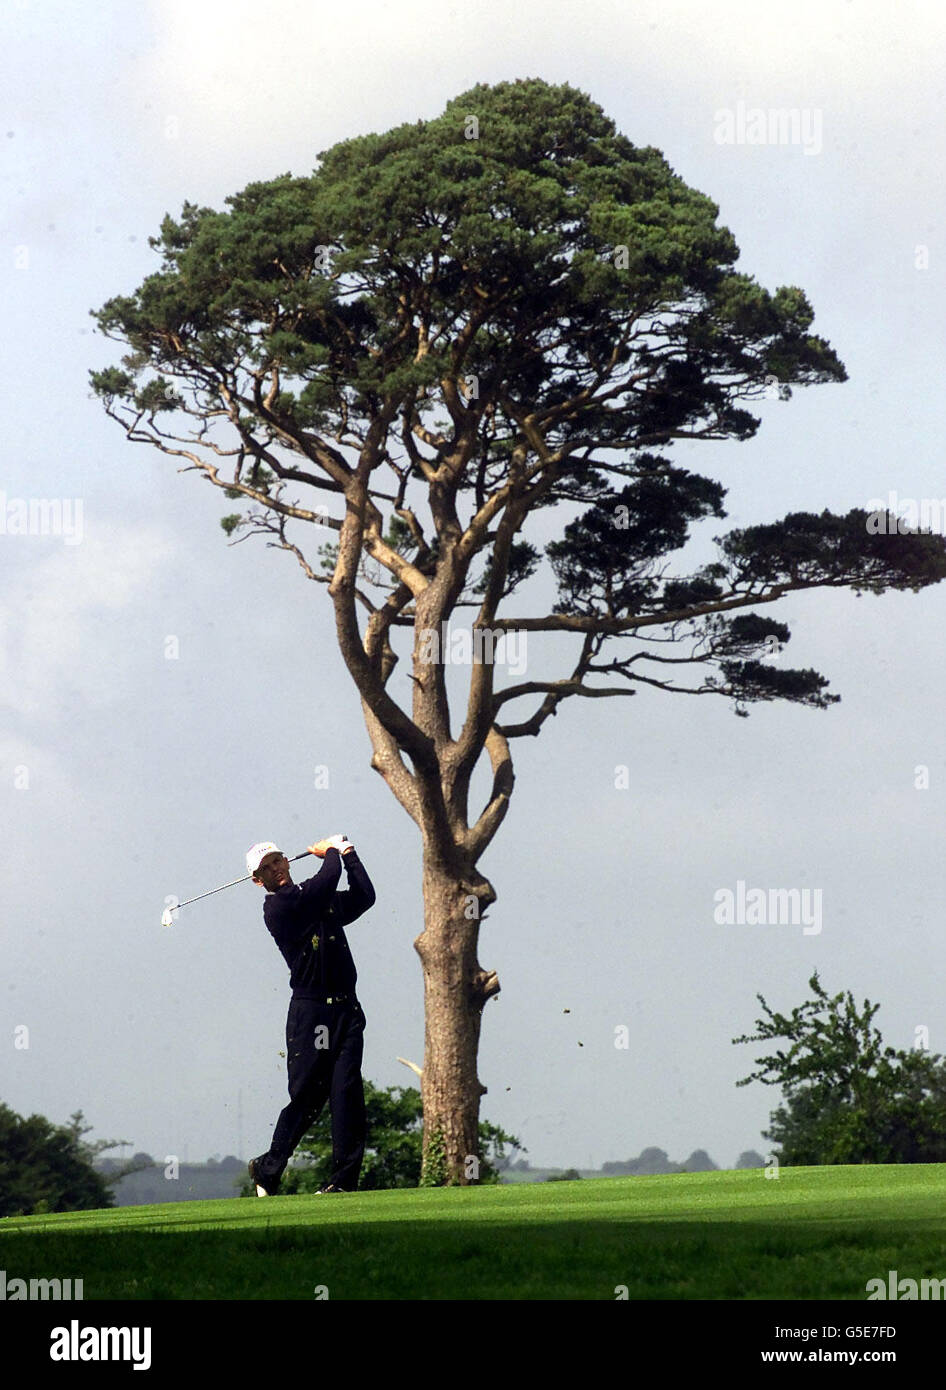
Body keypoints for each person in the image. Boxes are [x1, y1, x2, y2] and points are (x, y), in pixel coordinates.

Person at [245, 832, 375, 1196]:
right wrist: (330, 852)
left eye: (278, 861)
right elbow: (320, 888)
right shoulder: (279, 908)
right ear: (259, 881)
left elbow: (366, 896)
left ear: (286, 861)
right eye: (266, 869)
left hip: (347, 1010)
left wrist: (348, 854)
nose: (275, 869)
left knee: (347, 1094)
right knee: (307, 1098)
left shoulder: (318, 901)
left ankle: (343, 1182)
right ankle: (268, 1168)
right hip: (311, 1014)